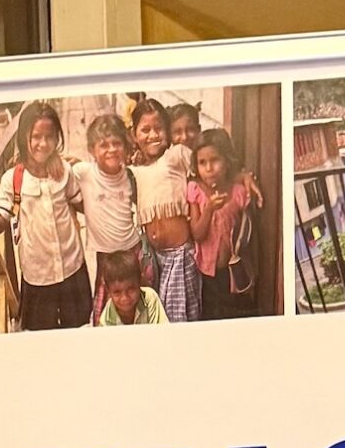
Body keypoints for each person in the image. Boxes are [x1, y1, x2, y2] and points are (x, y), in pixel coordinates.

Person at [0, 102, 88, 332]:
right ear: (24, 137)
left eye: (49, 136)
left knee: (78, 327)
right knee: (42, 333)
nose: (43, 143)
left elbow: (81, 203)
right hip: (38, 275)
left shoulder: (64, 170)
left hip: (72, 266)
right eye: (36, 136)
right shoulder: (12, 179)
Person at [129, 97, 199, 322]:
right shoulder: (135, 170)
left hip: (180, 256)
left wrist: (241, 176)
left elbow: (207, 168)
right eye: (145, 130)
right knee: (159, 317)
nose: (153, 135)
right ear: (133, 135)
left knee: (180, 319)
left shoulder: (176, 155)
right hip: (154, 259)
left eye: (159, 128)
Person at [188, 126, 259, 319]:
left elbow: (248, 233)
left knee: (235, 313)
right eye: (202, 162)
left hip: (234, 271)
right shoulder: (195, 190)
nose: (209, 168)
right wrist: (209, 209)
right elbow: (197, 234)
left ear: (227, 161)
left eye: (215, 160)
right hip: (208, 274)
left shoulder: (238, 192)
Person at [74, 112, 140, 267]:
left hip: (132, 248)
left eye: (117, 143)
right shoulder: (83, 173)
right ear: (92, 150)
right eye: (103, 145)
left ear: (125, 146)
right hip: (104, 254)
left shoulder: (131, 175)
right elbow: (60, 176)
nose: (112, 149)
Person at [94, 248, 166, 326]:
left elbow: (161, 330)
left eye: (131, 289)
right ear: (108, 291)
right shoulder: (107, 317)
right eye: (117, 292)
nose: (125, 298)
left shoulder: (150, 299)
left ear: (139, 283)